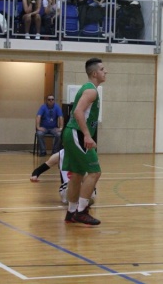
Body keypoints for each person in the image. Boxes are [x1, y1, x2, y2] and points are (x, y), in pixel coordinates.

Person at [62, 57, 106, 225]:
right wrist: (87, 136)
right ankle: (81, 211)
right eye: (102, 69)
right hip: (77, 133)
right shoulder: (91, 91)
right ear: (94, 73)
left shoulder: (89, 89)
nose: (105, 72)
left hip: (72, 133)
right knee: (95, 172)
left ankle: (71, 212)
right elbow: (77, 112)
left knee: (77, 174)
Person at [31, 149, 97, 206]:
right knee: (72, 184)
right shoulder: (59, 155)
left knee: (87, 182)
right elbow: (39, 169)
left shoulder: (86, 153)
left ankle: (83, 198)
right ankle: (79, 200)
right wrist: (35, 175)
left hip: (83, 184)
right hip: (66, 186)